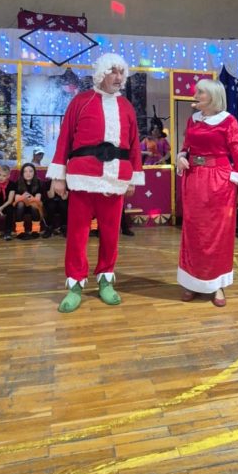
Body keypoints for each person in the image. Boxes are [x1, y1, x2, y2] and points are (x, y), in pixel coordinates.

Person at [47, 53, 143, 313]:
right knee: (77, 235)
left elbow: (134, 145)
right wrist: (58, 176)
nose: (119, 77)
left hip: (115, 178)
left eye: (122, 72)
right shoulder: (80, 101)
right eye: (113, 72)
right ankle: (75, 284)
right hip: (83, 178)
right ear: (101, 74)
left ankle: (105, 280)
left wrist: (133, 177)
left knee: (111, 234)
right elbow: (65, 138)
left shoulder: (126, 107)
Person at [176, 78, 238, 306]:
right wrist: (181, 158)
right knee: (194, 232)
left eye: (201, 92)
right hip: (194, 180)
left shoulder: (228, 121)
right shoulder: (193, 120)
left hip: (219, 182)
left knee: (218, 234)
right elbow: (185, 148)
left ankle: (217, 285)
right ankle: (192, 282)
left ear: (213, 96)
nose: (195, 95)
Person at [14, 162, 43, 239]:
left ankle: (35, 231)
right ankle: (20, 232)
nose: (28, 173)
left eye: (30, 171)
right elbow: (16, 198)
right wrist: (25, 198)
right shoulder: (18, 182)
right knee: (20, 204)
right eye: (25, 171)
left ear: (34, 173)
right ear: (22, 173)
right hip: (22, 207)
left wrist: (26, 197)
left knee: (34, 205)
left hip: (34, 207)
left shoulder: (38, 182)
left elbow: (38, 199)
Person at [0, 164, 16, 240]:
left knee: (10, 210)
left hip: (6, 205)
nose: (1, 177)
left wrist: (0, 209)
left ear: (8, 176)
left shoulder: (12, 184)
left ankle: (8, 232)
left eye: (4, 176)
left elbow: (10, 200)